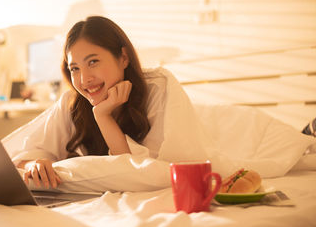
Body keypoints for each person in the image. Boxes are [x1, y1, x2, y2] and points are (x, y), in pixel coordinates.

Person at [13, 16, 211, 189]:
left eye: (93, 62)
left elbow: (140, 172)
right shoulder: (72, 103)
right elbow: (24, 153)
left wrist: (102, 115)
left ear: (123, 58)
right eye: (75, 68)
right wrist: (34, 165)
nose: (84, 79)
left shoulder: (159, 88)